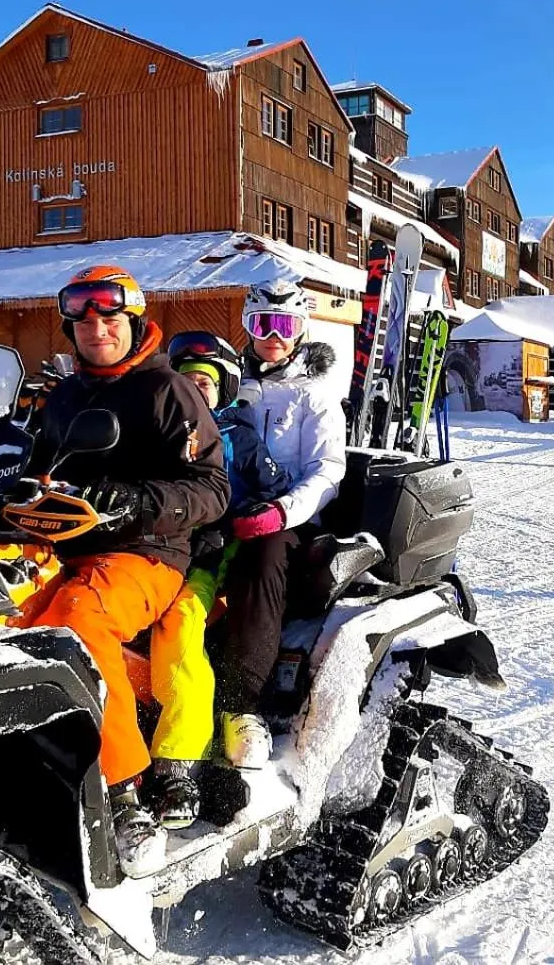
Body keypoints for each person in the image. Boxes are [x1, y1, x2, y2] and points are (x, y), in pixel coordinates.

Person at [9, 265, 230, 874]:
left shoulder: (168, 392)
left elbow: (212, 489)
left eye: (110, 318)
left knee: (77, 620)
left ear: (133, 322)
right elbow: (35, 465)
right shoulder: (65, 396)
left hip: (150, 552)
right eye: (84, 320)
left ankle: (125, 789)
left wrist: (138, 503)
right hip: (66, 544)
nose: (98, 330)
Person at [146, 332, 291, 828]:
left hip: (213, 554)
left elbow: (275, 489)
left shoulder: (238, 436)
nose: (196, 392)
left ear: (225, 388)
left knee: (184, 621)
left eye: (205, 384)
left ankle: (188, 755)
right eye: (186, 383)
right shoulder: (158, 433)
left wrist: (256, 514)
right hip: (157, 550)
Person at [215, 280, 347, 770]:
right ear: (247, 327)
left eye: (285, 325)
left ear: (300, 331)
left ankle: (243, 702)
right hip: (222, 506)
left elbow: (329, 470)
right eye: (262, 323)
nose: (273, 335)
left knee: (263, 558)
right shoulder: (232, 382)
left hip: (292, 517)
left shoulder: (314, 396)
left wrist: (282, 512)